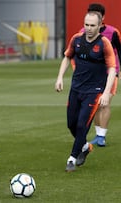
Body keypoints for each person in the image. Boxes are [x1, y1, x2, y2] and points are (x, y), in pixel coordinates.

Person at [55, 12, 116, 172]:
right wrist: (60, 77)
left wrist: (105, 92)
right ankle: (85, 147)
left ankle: (72, 158)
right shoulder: (76, 39)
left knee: (83, 124)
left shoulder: (104, 43)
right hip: (76, 89)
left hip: (94, 91)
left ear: (100, 26)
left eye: (92, 25)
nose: (88, 28)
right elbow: (67, 57)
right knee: (71, 124)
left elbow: (111, 69)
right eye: (86, 25)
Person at [85, 3, 121, 147]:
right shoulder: (83, 31)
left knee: (105, 104)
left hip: (110, 73)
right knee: (95, 105)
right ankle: (98, 134)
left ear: (102, 18)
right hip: (92, 75)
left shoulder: (113, 32)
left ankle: (102, 137)